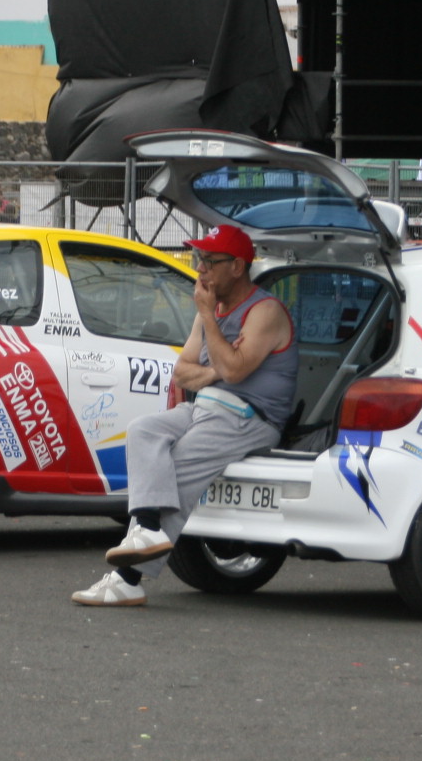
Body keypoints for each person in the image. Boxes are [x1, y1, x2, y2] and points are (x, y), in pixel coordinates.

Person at [72, 224, 298, 607]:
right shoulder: (210, 310)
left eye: (209, 261)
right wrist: (215, 369)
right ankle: (147, 528)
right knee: (142, 430)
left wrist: (210, 323)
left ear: (237, 267)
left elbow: (235, 371)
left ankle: (127, 581)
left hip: (249, 418)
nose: (200, 269)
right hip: (205, 407)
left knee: (175, 465)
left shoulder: (264, 311)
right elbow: (182, 372)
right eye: (198, 258)